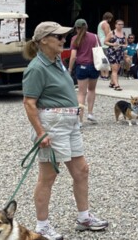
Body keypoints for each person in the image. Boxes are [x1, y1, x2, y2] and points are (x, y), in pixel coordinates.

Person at [22, 22, 108, 240]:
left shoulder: (56, 60)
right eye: (57, 37)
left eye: (63, 36)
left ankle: (84, 217)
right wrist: (41, 132)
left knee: (81, 171)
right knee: (48, 177)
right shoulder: (36, 67)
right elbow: (29, 103)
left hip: (69, 122)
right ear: (43, 41)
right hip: (52, 123)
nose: (63, 40)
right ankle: (42, 226)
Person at [67, 19, 100, 125]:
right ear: (86, 26)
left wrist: (69, 69)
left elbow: (73, 57)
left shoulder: (75, 39)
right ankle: (90, 113)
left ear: (76, 28)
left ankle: (80, 119)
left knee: (81, 93)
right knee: (92, 89)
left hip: (81, 66)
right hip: (94, 66)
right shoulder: (94, 36)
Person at [104, 19, 126, 91]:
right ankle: (117, 85)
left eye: (122, 24)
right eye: (119, 24)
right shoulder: (111, 33)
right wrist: (113, 44)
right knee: (115, 69)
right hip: (112, 52)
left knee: (118, 68)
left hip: (120, 52)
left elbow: (126, 44)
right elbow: (105, 42)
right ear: (115, 25)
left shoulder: (124, 33)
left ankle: (112, 82)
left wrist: (123, 46)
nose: (120, 26)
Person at [97, 12, 113, 80]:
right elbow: (107, 35)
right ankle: (106, 75)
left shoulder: (100, 23)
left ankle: (102, 74)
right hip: (105, 44)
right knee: (106, 59)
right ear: (109, 18)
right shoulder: (106, 24)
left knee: (101, 59)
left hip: (100, 43)